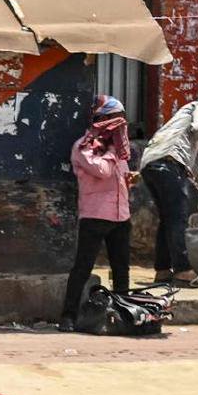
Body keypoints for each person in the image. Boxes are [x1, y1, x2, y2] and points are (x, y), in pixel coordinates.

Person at [141, 90, 198, 288]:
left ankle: (163, 270)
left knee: (168, 219)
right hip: (168, 164)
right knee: (178, 218)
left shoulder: (182, 130)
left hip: (151, 164)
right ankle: (183, 271)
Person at [64, 95, 136, 328]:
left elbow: (119, 176)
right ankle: (68, 316)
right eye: (113, 119)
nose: (119, 125)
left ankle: (124, 315)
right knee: (83, 268)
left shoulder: (119, 150)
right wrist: (113, 149)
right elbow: (103, 171)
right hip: (95, 215)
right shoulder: (84, 146)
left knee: (121, 269)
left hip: (121, 215)